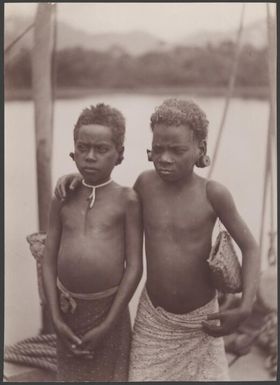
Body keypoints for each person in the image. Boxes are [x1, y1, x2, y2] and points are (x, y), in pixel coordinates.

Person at [55, 98, 260, 381]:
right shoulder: (144, 185)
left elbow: (250, 247)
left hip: (202, 322)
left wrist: (246, 306)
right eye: (158, 149)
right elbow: (109, 198)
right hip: (154, 321)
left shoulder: (213, 194)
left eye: (177, 151)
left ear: (200, 149)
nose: (165, 158)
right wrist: (78, 179)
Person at [42, 103, 142, 382]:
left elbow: (134, 267)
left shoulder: (127, 199)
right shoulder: (62, 197)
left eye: (101, 150)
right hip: (67, 311)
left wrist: (109, 323)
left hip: (109, 313)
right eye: (83, 148)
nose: (90, 157)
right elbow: (48, 259)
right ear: (73, 150)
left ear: (119, 155)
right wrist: (55, 318)